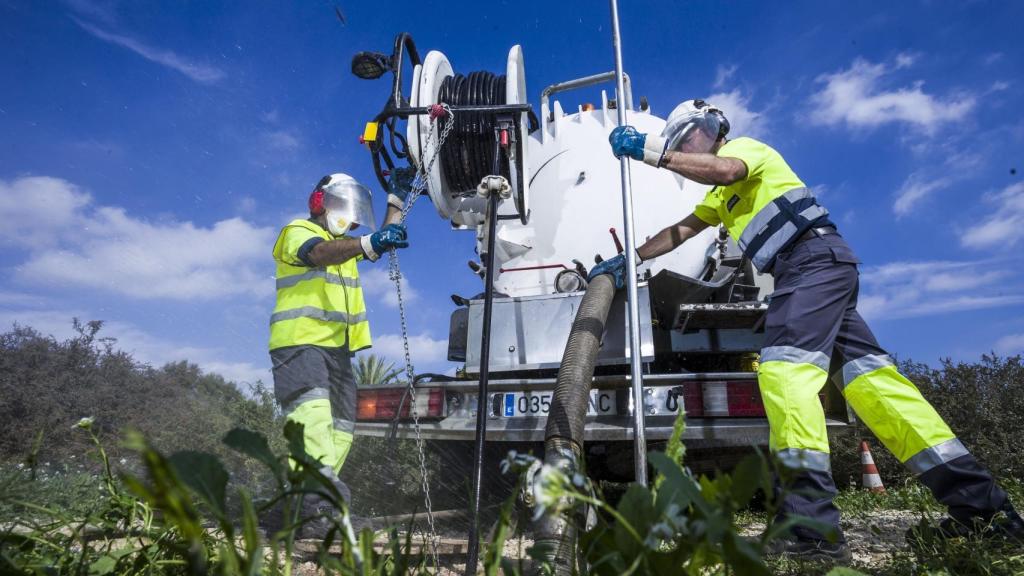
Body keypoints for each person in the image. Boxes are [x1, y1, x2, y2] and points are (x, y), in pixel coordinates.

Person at [591, 99, 1024, 560]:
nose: (687, 149)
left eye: (690, 139)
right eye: (680, 145)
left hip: (812, 262)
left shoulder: (746, 151)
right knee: (877, 389)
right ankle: (984, 510)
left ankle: (811, 532)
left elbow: (726, 169)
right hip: (820, 268)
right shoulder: (718, 200)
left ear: (713, 129)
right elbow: (681, 230)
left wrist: (653, 151)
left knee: (782, 374)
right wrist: (634, 257)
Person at [269, 168, 414, 536]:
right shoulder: (299, 233)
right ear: (321, 202)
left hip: (336, 351)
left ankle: (321, 508)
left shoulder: (345, 249)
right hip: (301, 343)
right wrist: (369, 243)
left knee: (342, 430)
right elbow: (320, 254)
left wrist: (396, 201)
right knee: (312, 422)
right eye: (344, 208)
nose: (351, 221)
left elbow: (377, 242)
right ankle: (314, 514)